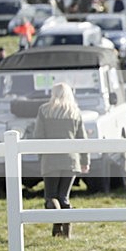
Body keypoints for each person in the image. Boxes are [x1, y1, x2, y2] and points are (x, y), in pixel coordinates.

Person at [33, 82, 89, 238]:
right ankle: (66, 229)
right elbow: (82, 138)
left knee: (50, 196)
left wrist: (40, 157)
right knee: (64, 196)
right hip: (71, 160)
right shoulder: (75, 112)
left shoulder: (44, 110)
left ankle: (57, 223)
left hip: (50, 159)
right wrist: (85, 160)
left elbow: (38, 136)